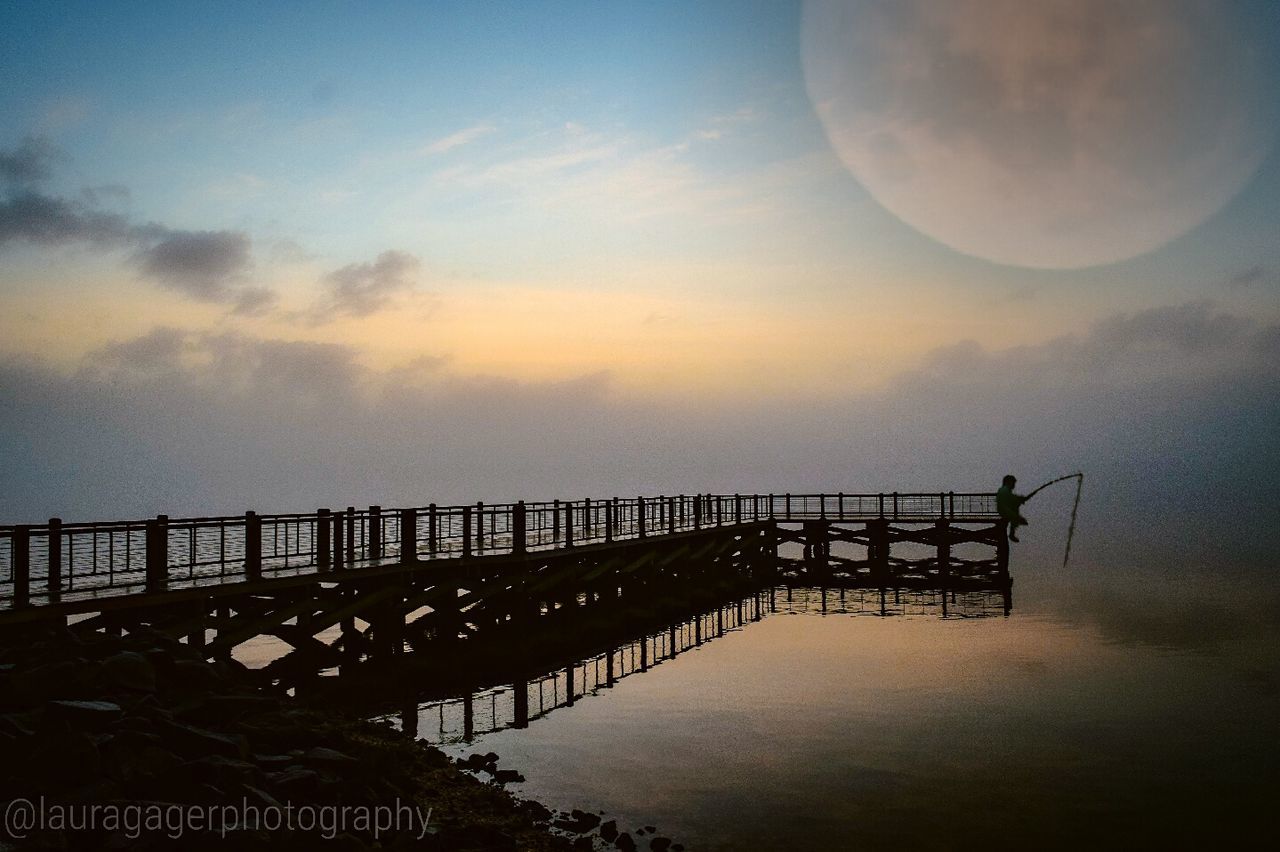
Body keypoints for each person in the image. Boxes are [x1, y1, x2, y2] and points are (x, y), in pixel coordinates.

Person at [996, 474, 1028, 542]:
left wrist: (1019, 499)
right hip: (1005, 511)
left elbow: (1012, 499)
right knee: (1015, 513)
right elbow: (1010, 501)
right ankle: (1012, 533)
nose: (1014, 485)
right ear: (1009, 482)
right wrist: (1017, 517)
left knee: (1015, 511)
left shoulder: (1004, 490)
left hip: (1005, 510)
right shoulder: (1005, 491)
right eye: (1013, 483)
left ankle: (1012, 531)